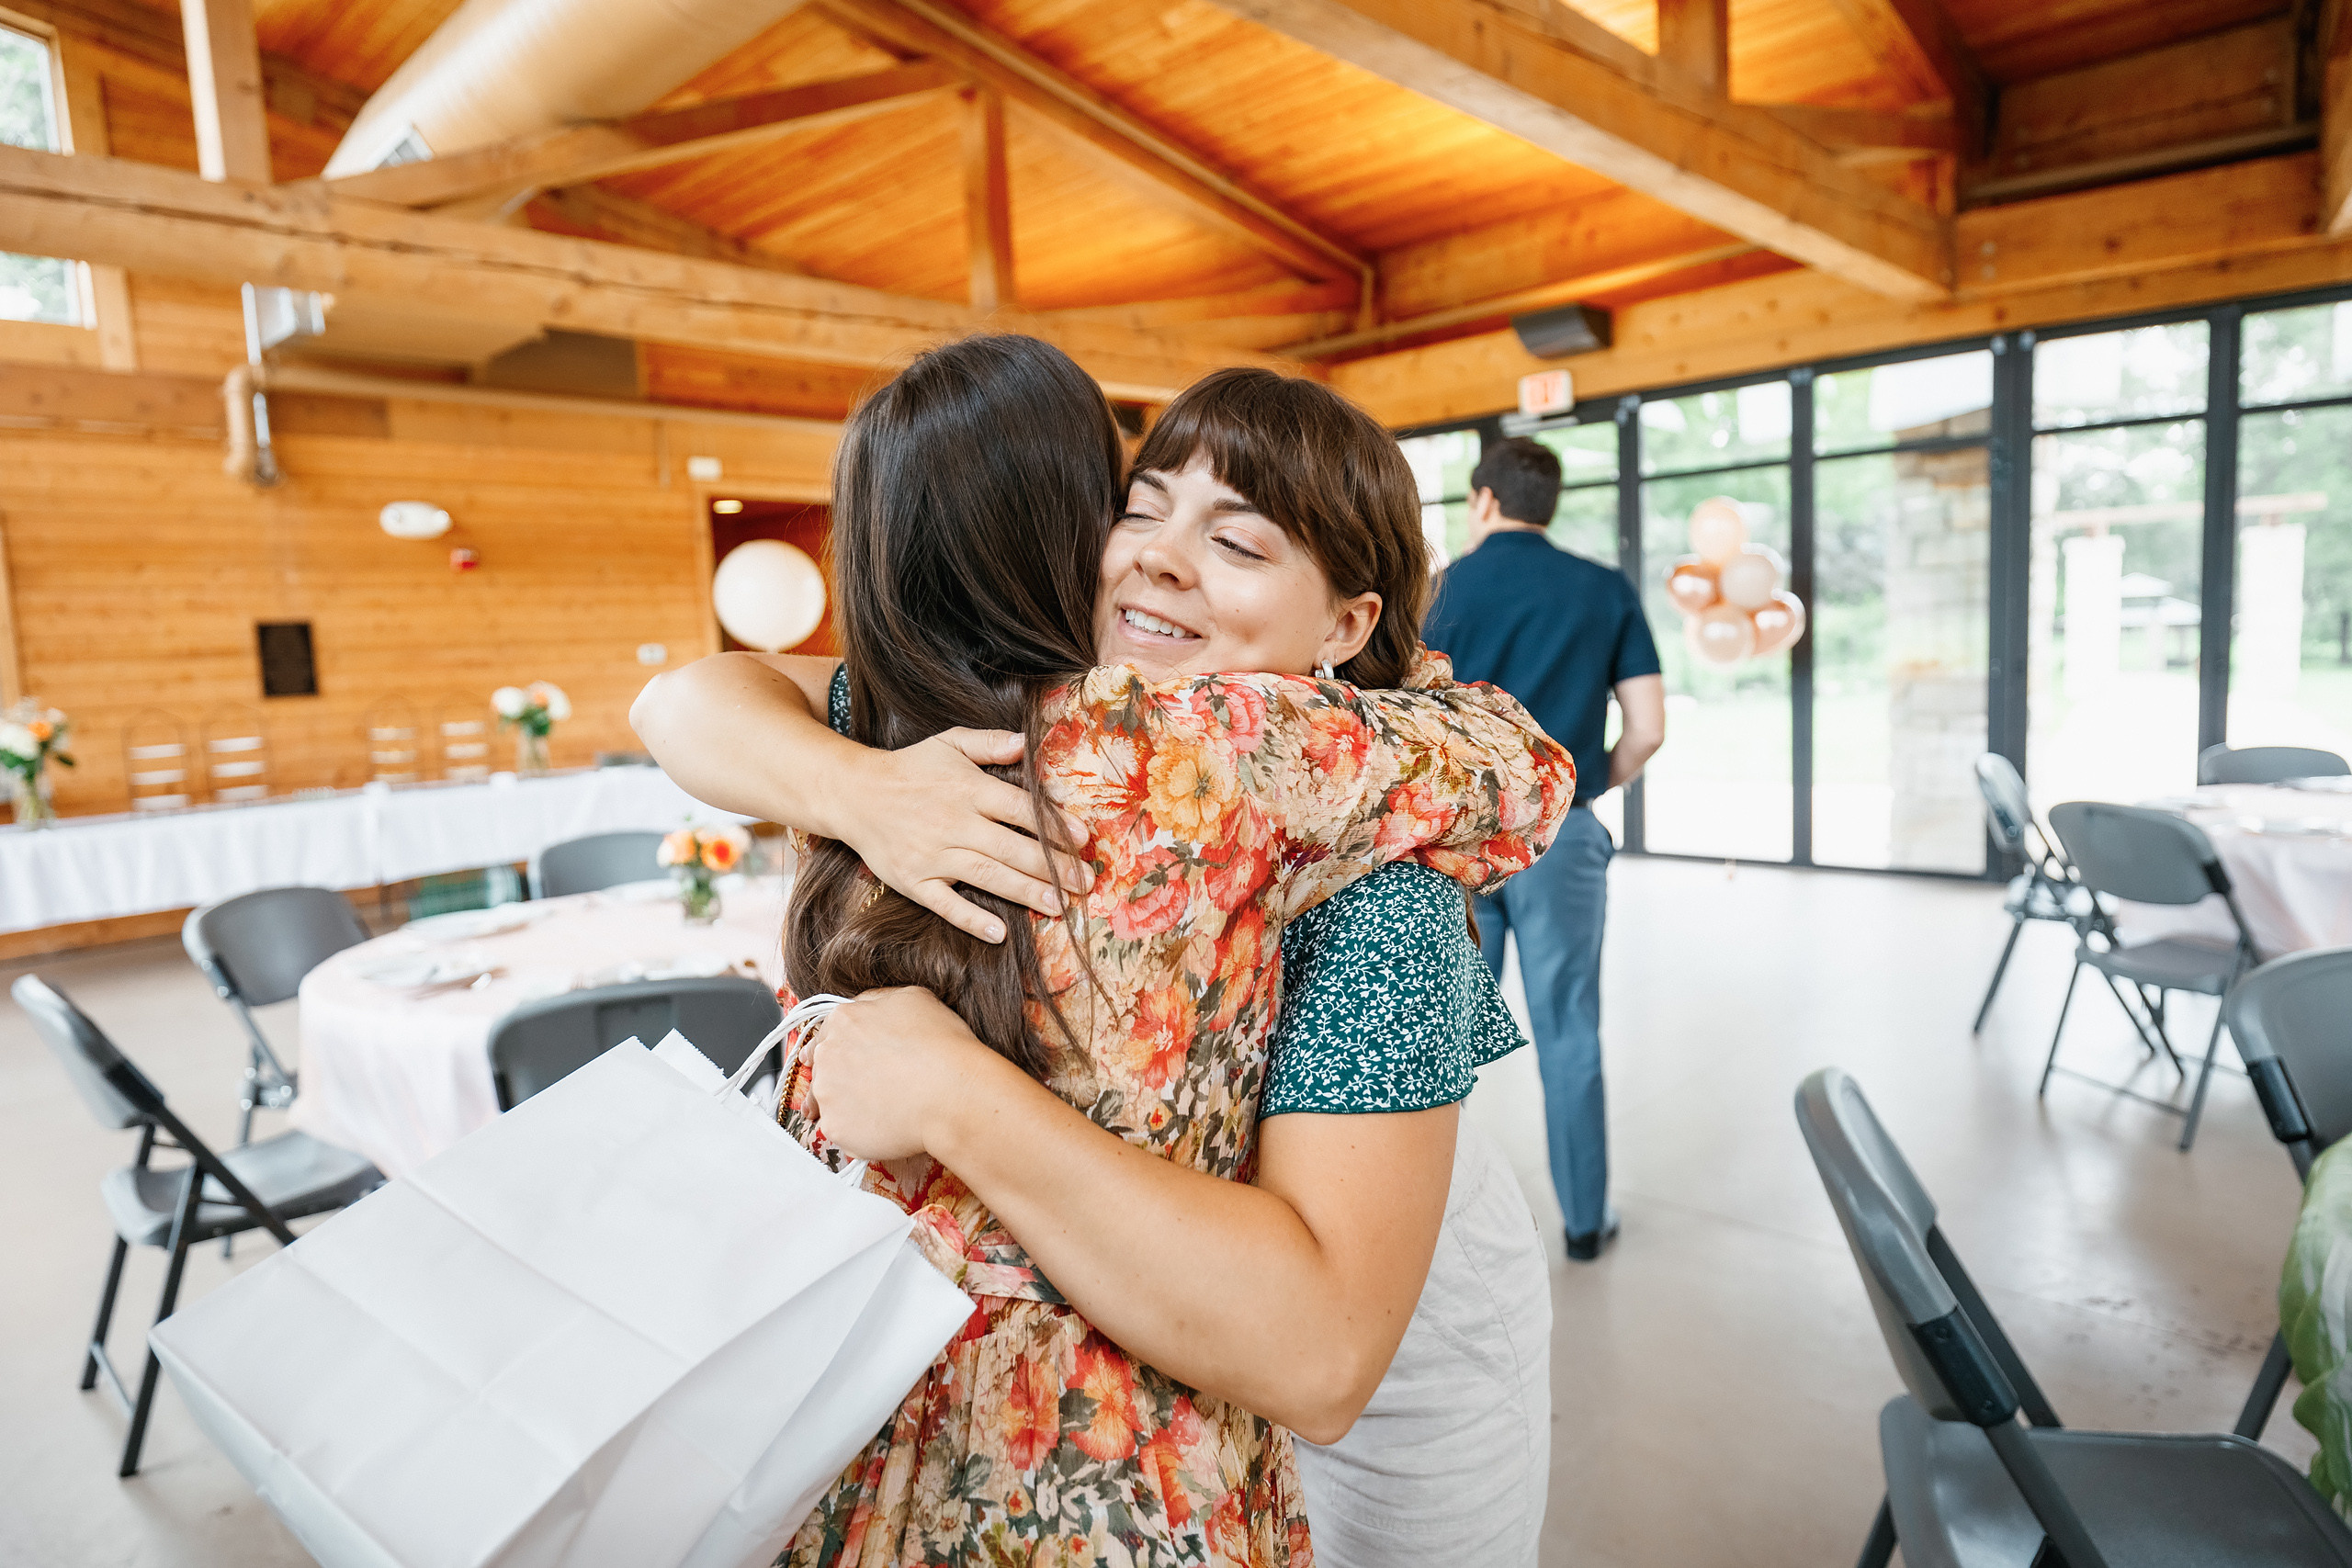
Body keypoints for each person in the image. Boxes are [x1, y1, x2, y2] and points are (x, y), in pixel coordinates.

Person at [633, 342, 1572, 1566]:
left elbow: (1325, 1352)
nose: (1160, 559)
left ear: (1344, 623)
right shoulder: (1022, 739)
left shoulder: (1369, 863)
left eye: (1238, 543)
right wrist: (860, 788)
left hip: (1391, 1329)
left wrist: (956, 1097)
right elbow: (688, 701)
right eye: (1136, 510)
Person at [1422, 434, 1665, 1262]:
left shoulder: (1437, 589)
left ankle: (1422, 1226)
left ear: (1482, 500)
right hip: (1563, 834)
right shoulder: (1603, 589)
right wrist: (1586, 782)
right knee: (1568, 1027)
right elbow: (1649, 727)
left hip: (1458, 841)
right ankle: (1587, 1223)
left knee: (1441, 1035)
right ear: (1547, 502)